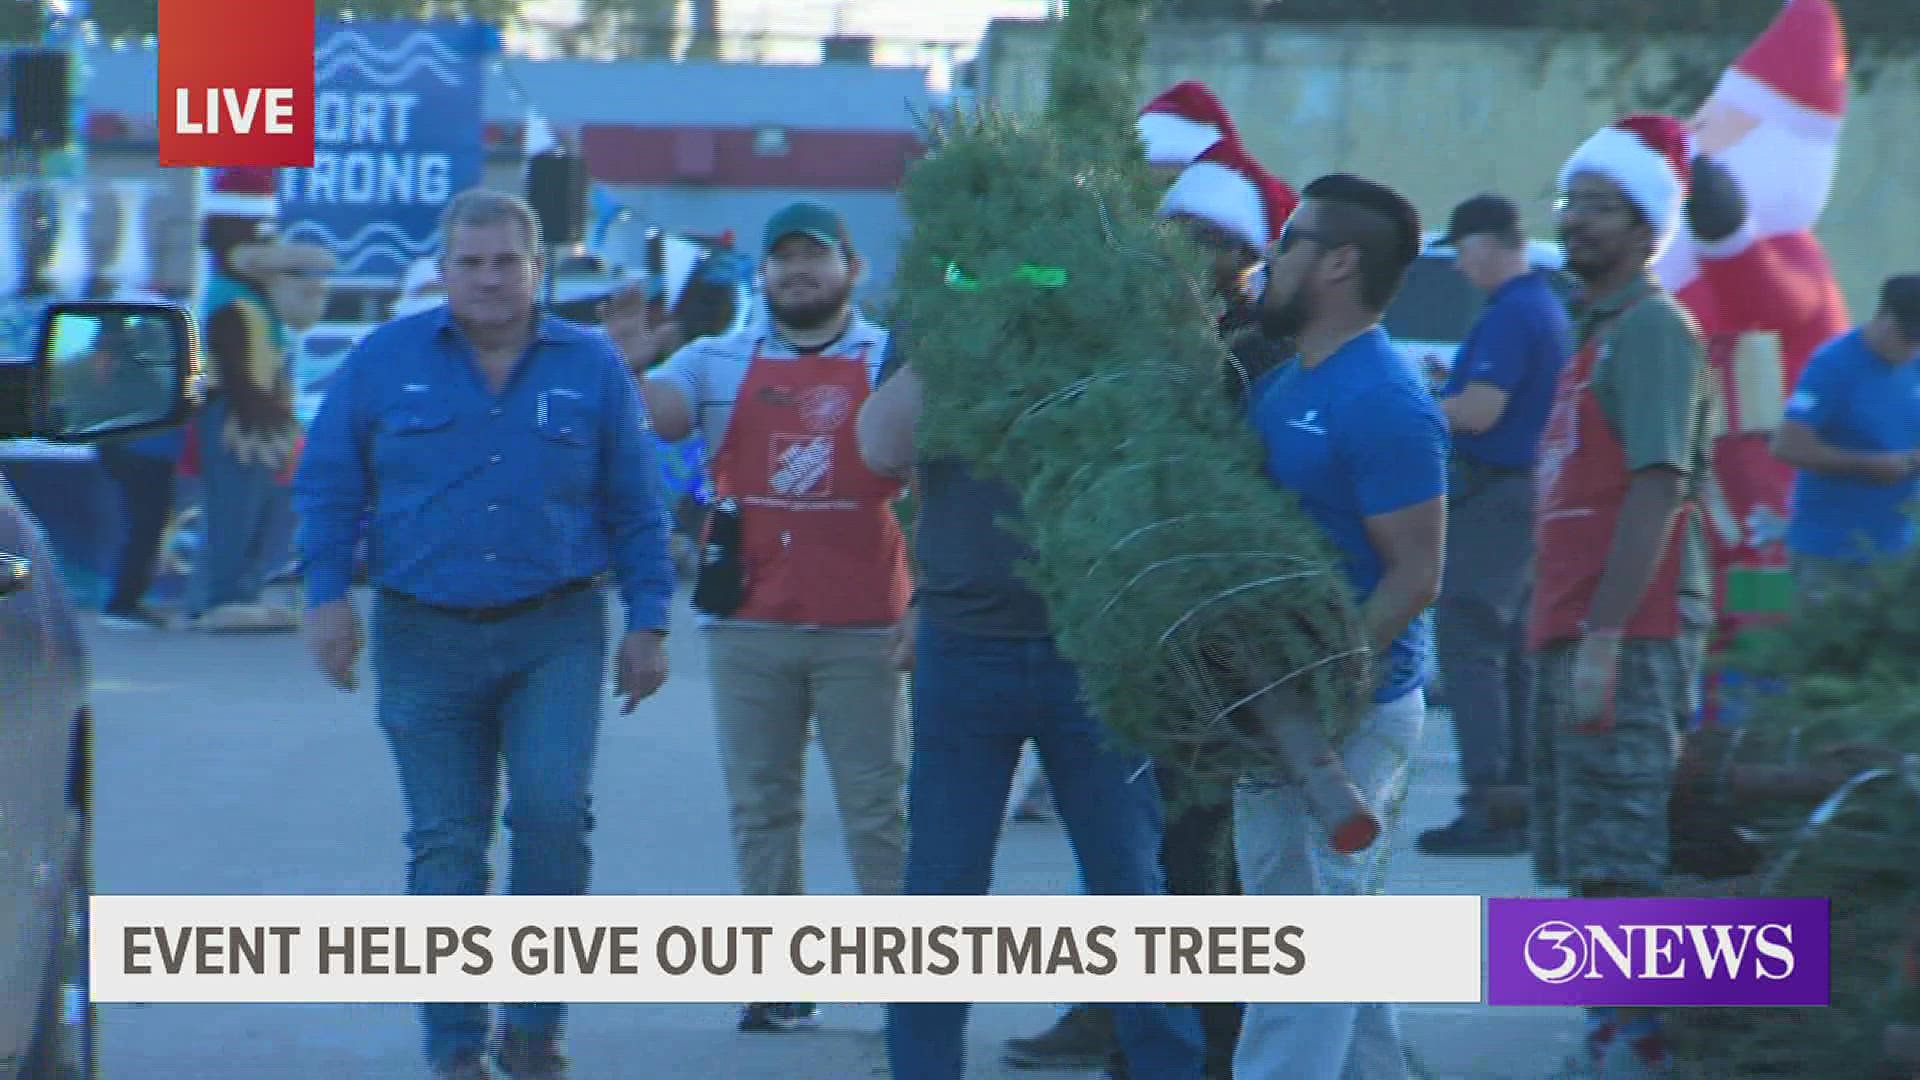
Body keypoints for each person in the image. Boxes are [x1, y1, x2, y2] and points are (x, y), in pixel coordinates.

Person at [293, 188, 676, 1080]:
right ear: (442, 269)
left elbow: (636, 502)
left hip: (557, 629)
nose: (489, 278)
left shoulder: (588, 366)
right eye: (471, 262)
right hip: (424, 633)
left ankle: (534, 1027)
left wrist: (649, 622)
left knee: (551, 818)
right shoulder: (383, 361)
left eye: (507, 261)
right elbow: (326, 487)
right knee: (448, 842)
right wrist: (324, 599)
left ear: (538, 268)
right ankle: (456, 1045)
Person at [1009, 141, 1298, 1080]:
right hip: (1143, 641)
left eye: (1207, 244)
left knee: (1201, 858)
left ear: (1242, 264)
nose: (1182, 258)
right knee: (1148, 849)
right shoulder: (1145, 352)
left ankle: (1196, 1048)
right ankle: (1145, 1031)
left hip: (1225, 651)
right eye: (1172, 238)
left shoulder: (1257, 360)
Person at [857, 337, 1207, 1080]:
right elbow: (881, 446)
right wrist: (964, 316)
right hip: (965, 643)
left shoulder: (1105, 284)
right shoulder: (941, 303)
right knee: (939, 893)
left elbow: (1169, 443)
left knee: (1130, 889)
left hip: (1093, 644)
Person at [606, 201, 911, 1033]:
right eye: (785, 258)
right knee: (762, 804)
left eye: (817, 256)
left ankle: (909, 988)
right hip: (749, 623)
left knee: (877, 808)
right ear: (765, 275)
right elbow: (650, 418)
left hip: (867, 626)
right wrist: (628, 369)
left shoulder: (893, 358)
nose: (799, 271)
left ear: (854, 269)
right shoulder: (717, 358)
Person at [1232, 173, 1447, 1080]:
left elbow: (1417, 573)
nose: (1267, 262)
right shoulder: (1282, 387)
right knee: (1329, 942)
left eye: (1286, 241)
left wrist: (1323, 688)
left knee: (1302, 947)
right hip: (1277, 710)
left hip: (1352, 712)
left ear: (1338, 262)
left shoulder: (1385, 400)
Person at [1536, 114, 1715, 1076]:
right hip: (1571, 627)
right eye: (1570, 202)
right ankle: (1606, 1035)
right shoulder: (1590, 332)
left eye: (1600, 206)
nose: (1576, 222)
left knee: (1620, 854)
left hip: (1626, 634)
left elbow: (1660, 483)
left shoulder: (1651, 328)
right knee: (1584, 857)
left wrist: (1605, 635)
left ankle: (1632, 1050)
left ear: (1650, 227)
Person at [1418, 194, 1574, 856]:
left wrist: (1420, 404)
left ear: (1487, 244)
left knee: (1470, 641)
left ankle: (1488, 804)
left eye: (1461, 252)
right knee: (1511, 651)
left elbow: (1480, 413)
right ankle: (1519, 801)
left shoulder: (1513, 313)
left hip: (1497, 498)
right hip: (1526, 495)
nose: (1458, 267)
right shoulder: (1543, 305)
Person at [189, 167, 330, 632]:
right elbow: (235, 370)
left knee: (263, 505)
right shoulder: (228, 299)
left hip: (264, 419)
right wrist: (260, 410)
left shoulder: (259, 296)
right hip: (237, 419)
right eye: (251, 233)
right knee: (234, 506)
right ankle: (220, 595)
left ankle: (244, 591)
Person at [1771, 273, 1920, 605]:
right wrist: (1868, 465)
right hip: (1830, 552)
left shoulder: (1915, 362)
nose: (1912, 349)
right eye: (1907, 338)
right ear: (1884, 316)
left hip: (1897, 548)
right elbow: (1786, 445)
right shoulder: (1832, 366)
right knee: (1825, 653)